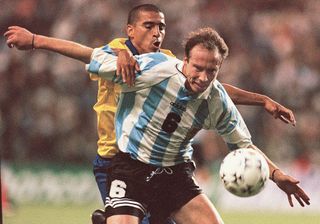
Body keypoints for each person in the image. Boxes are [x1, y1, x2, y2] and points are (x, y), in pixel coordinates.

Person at [4, 4, 300, 223]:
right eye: (197, 68)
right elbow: (88, 53)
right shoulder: (153, 68)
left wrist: (276, 174)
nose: (202, 76)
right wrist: (34, 41)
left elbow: (243, 144)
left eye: (211, 70)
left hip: (175, 174)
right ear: (185, 61)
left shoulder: (215, 98)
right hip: (129, 165)